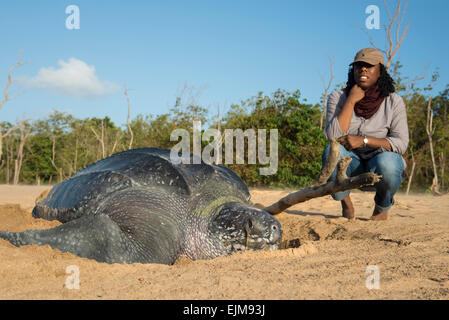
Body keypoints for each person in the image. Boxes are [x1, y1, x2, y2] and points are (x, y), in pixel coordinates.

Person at [322, 48, 409, 221]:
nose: (363, 69)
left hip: (378, 162)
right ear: (352, 70)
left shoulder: (393, 101)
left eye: (369, 66)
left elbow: (401, 143)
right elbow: (332, 136)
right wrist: (351, 100)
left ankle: (381, 208)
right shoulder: (338, 97)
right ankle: (346, 203)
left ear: (380, 72)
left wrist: (364, 140)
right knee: (330, 152)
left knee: (390, 164)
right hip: (351, 163)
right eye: (358, 66)